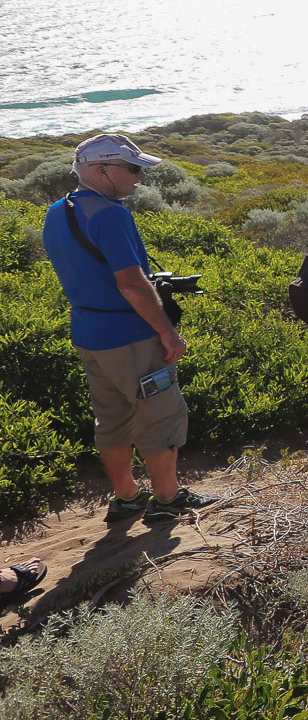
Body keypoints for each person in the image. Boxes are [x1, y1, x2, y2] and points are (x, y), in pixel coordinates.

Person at [41, 134, 217, 521]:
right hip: (131, 338)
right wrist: (168, 331)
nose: (139, 178)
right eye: (133, 169)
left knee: (112, 418)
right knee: (160, 415)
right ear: (101, 169)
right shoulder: (111, 215)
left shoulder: (58, 210)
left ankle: (127, 497)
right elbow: (131, 284)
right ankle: (168, 500)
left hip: (90, 334)